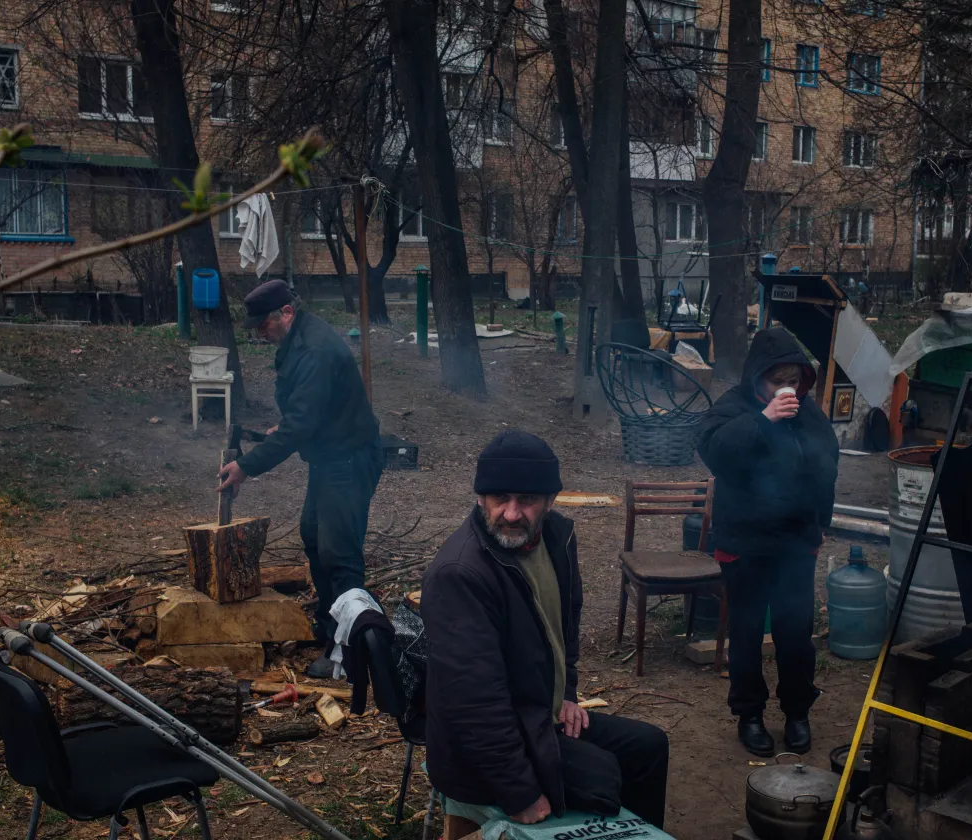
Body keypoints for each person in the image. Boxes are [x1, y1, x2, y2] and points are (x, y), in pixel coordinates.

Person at [422, 431, 669, 828]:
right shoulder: (461, 574)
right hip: (485, 755)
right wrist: (519, 792)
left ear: (551, 502)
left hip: (537, 718)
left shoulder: (555, 537)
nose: (512, 513)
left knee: (649, 747)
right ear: (481, 498)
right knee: (605, 777)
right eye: (500, 498)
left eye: (528, 500)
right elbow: (472, 702)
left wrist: (567, 695)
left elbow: (564, 631)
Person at [217, 279, 382, 679]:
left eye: (264, 325)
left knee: (339, 553)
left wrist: (246, 466)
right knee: (312, 535)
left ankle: (349, 653)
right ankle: (332, 626)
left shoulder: (314, 350)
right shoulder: (298, 340)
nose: (260, 333)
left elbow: (301, 424)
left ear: (285, 313)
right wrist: (287, 427)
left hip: (348, 459)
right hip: (330, 457)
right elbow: (305, 414)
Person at [696, 328, 839, 757]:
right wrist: (764, 420)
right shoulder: (732, 407)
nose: (787, 389)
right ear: (758, 377)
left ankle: (797, 713)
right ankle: (750, 715)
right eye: (778, 380)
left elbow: (828, 463)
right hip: (745, 542)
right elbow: (715, 453)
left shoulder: (809, 413)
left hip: (795, 542)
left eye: (793, 380)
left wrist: (819, 523)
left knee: (796, 633)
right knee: (746, 632)